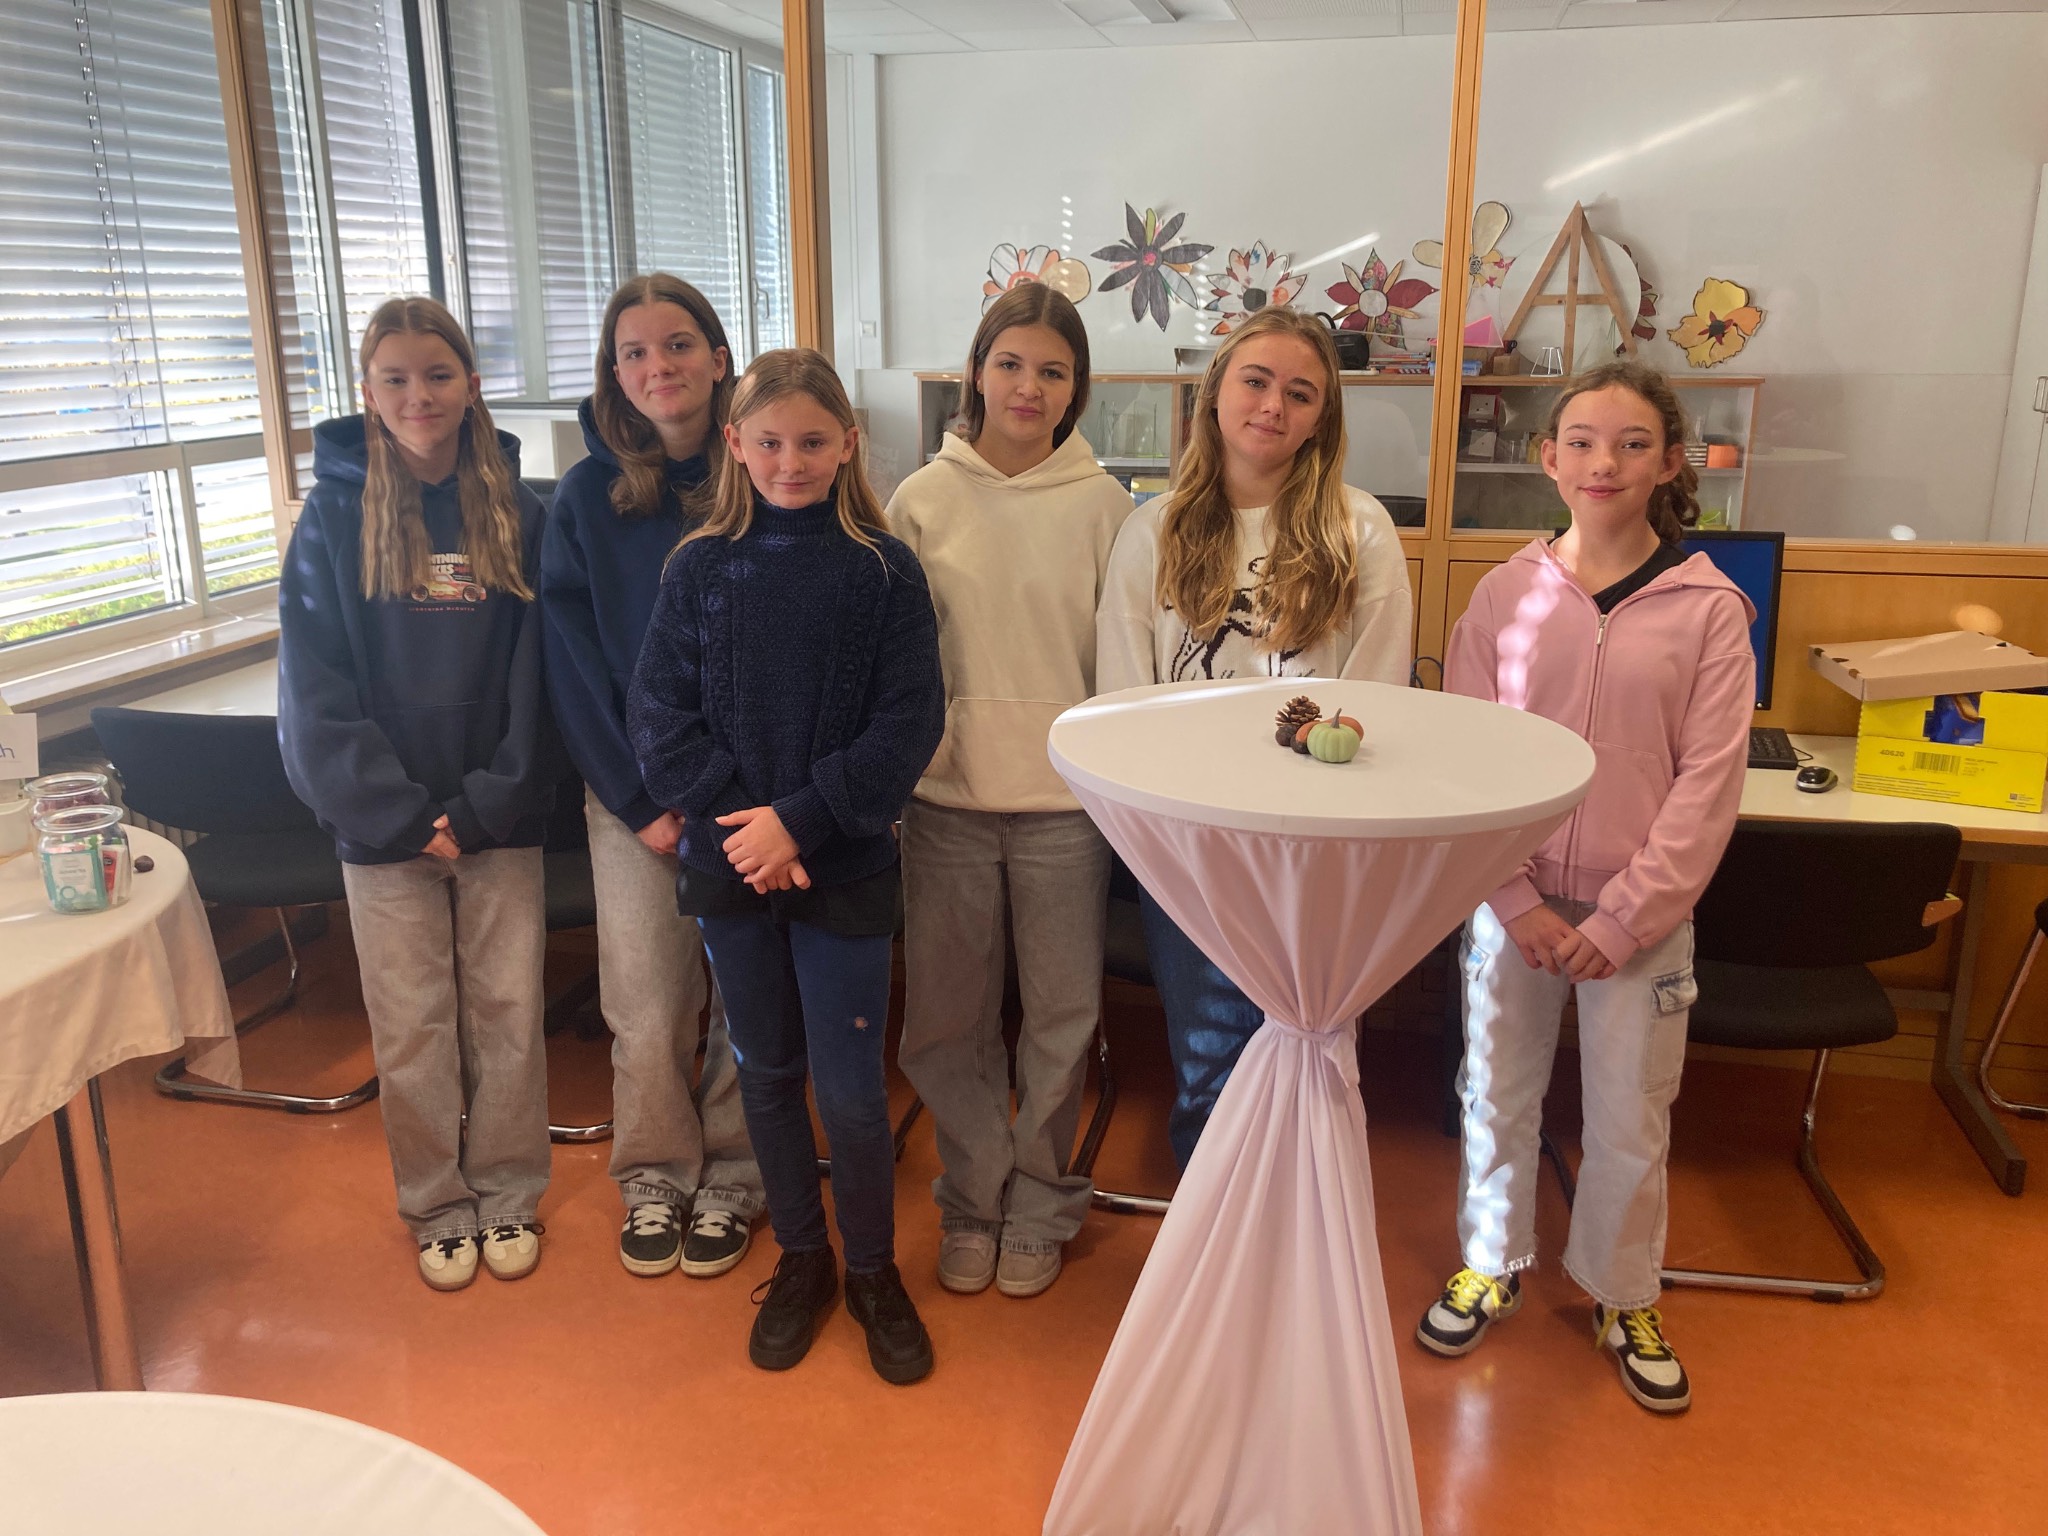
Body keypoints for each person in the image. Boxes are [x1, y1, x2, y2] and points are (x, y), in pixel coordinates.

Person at [1422, 359, 1754, 1415]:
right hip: (1510, 907)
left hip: (1638, 922)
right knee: (1494, 1095)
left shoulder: (1709, 610)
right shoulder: (1502, 595)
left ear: (1670, 461)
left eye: (1630, 442)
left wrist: (1620, 920)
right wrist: (1512, 899)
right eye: (1580, 441)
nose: (1603, 462)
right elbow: (1468, 761)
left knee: (1628, 1116)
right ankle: (1489, 1262)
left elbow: (1707, 786)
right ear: (1547, 458)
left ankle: (1623, 1294)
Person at [627, 349, 945, 1384]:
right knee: (765, 1074)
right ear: (734, 443)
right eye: (768, 442)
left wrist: (797, 825)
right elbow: (658, 719)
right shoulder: (699, 569)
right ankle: (804, 1258)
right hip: (733, 870)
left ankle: (871, 1270)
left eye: (812, 442)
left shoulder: (883, 571)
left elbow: (908, 723)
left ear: (848, 444)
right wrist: (749, 835)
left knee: (850, 1094)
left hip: (840, 867)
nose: (789, 462)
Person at [1095, 305, 1413, 1167]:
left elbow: (1378, 698)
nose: (1274, 406)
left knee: (1310, 1059)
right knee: (1207, 1066)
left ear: (1321, 417)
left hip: (1314, 851)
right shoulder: (1153, 530)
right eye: (1257, 381)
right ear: (1216, 392)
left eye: (1300, 393)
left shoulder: (1360, 528)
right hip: (1189, 849)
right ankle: (1218, 1231)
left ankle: (1301, 1223)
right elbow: (1121, 704)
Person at [278, 296, 553, 1293]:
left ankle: (510, 1191)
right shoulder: (331, 521)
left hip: (497, 821)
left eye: (437, 375)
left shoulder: (521, 512)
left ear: (471, 385)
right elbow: (314, 689)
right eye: (394, 378)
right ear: (367, 391)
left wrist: (484, 806)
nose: (418, 395)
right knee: (412, 1027)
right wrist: (399, 814)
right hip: (384, 834)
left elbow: (541, 678)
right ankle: (437, 1203)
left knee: (508, 1014)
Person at [887, 285, 1133, 1300]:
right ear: (976, 372)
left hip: (1065, 812)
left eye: (1052, 371)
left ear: (1076, 390)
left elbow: (1121, 670)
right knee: (947, 1019)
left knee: (1060, 1019)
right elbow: (895, 664)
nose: (1028, 387)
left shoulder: (1106, 508)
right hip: (944, 802)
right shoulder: (918, 500)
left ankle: (1038, 1202)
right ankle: (972, 1196)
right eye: (1010, 364)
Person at [540, 274, 764, 1281]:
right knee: (648, 1001)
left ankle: (737, 1176)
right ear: (614, 374)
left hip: (752, 795)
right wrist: (638, 801)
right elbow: (572, 664)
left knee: (748, 998)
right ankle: (656, 1175)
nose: (657, 366)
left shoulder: (762, 469)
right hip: (635, 800)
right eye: (633, 352)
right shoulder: (584, 500)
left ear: (717, 358)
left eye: (677, 344)